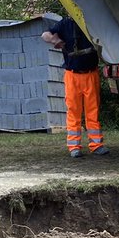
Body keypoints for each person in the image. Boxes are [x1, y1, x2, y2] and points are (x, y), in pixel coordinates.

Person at [42, 15, 108, 158]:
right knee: (73, 111)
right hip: (72, 75)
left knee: (93, 111)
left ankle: (96, 145)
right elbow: (45, 35)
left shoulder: (91, 22)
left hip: (91, 73)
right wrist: (55, 40)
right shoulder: (64, 24)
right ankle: (74, 147)